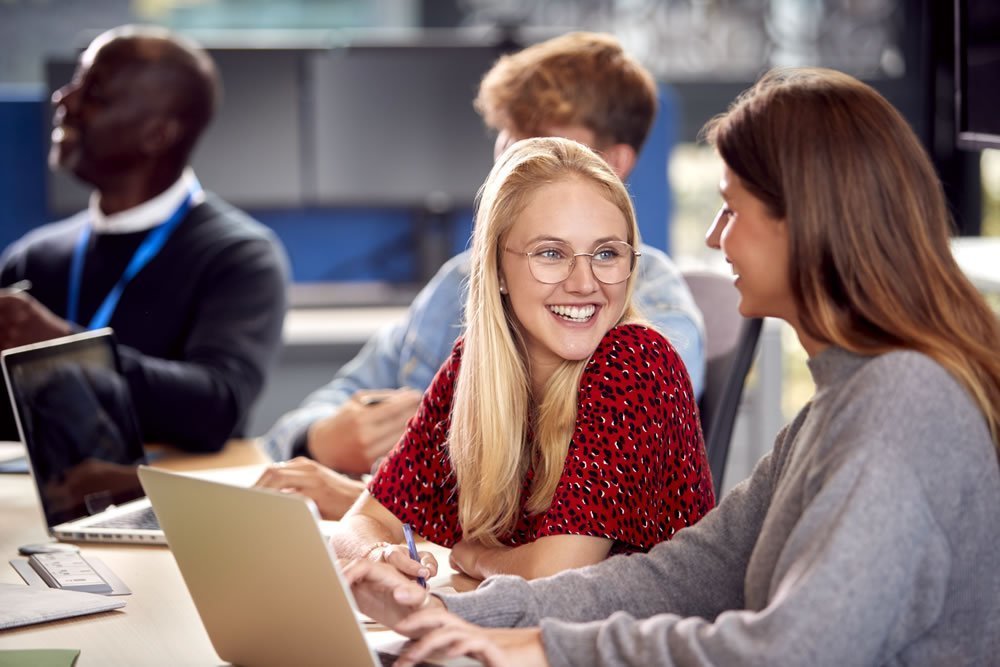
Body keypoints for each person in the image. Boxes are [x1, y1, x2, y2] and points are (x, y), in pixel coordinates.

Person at [343, 68, 1000, 666]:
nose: (716, 237)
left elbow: (793, 650)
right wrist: (459, 616)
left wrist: (547, 648)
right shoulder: (836, 406)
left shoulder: (904, 400)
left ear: (805, 224)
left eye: (732, 208)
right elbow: (689, 573)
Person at [260, 32, 704, 490]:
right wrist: (319, 439)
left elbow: (587, 466)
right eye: (508, 142)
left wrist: (374, 498)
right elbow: (319, 410)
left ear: (612, 163)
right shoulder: (459, 279)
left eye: (539, 146)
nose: (512, 169)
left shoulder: (654, 310)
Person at [329, 136, 714, 583]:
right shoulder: (475, 368)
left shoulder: (636, 362)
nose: (584, 282)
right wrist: (377, 555)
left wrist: (478, 558)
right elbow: (364, 520)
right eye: (551, 254)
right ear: (497, 270)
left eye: (606, 253)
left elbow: (558, 573)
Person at [0, 25, 289, 452]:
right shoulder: (34, 257)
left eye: (94, 93)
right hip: (35, 500)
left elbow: (216, 408)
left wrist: (64, 350)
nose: (64, 99)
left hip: (171, 506)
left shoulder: (238, 256)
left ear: (158, 135)